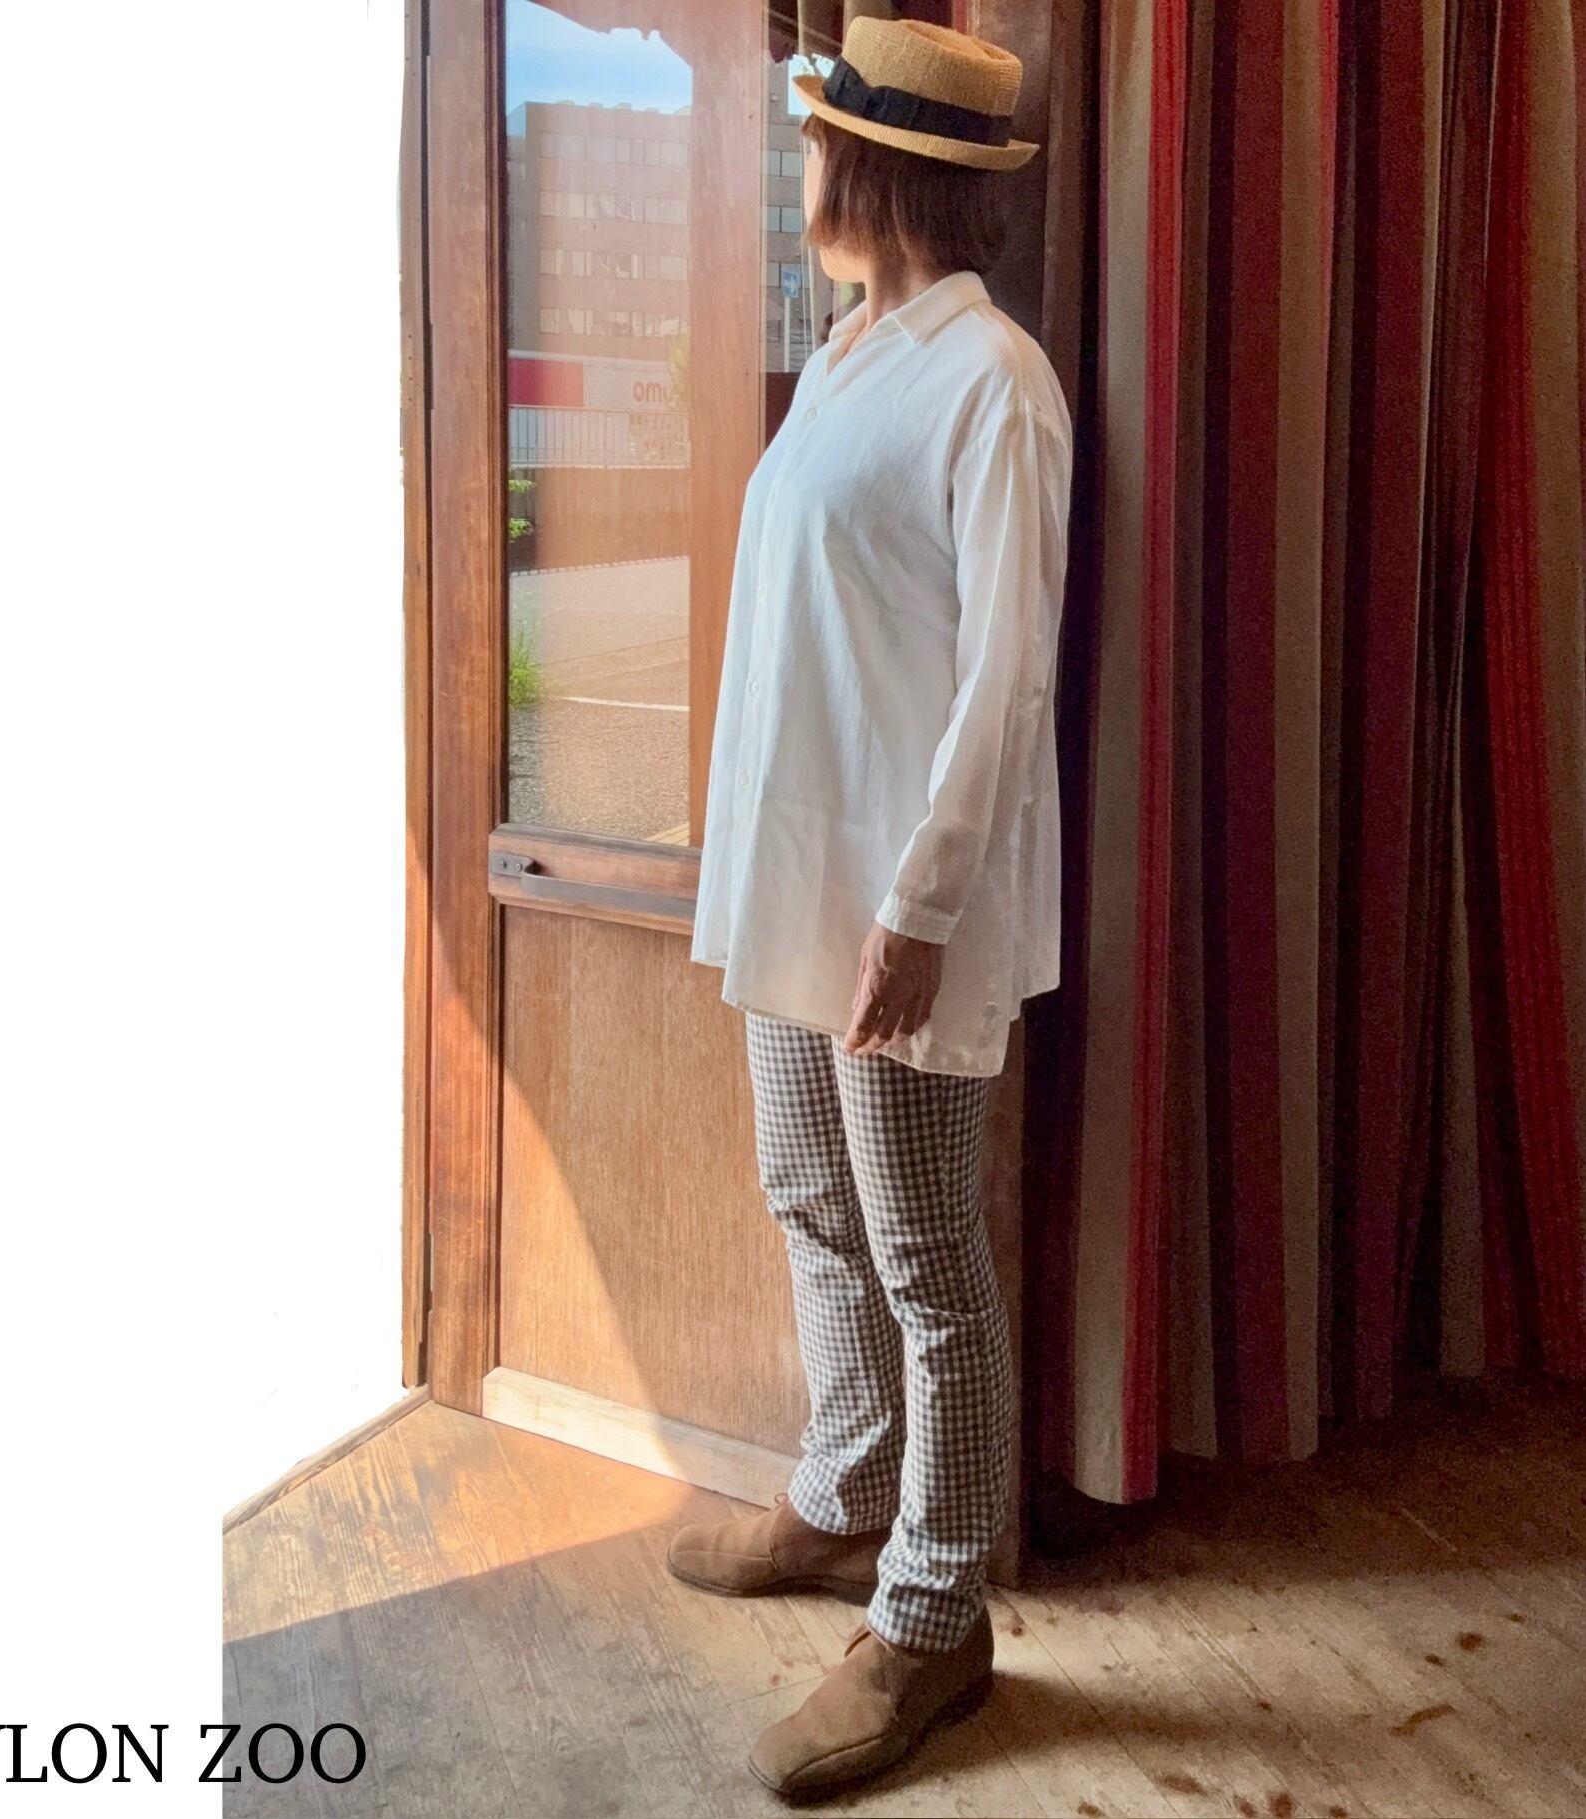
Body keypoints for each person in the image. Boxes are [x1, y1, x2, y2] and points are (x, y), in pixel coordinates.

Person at [674, 17, 1072, 1801]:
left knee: (928, 1262)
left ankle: (933, 1619)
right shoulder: (848, 356)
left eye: (816, 140)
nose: (802, 162)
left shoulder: (995, 379)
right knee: (810, 1198)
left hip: (898, 907)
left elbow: (1004, 680)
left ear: (871, 170)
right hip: (792, 883)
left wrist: (919, 911)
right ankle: (846, 1500)